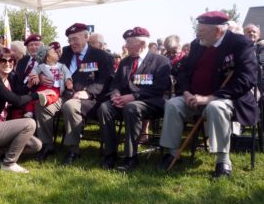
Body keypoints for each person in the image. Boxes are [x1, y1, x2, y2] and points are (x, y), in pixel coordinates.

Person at [158, 11, 258, 178]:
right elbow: (183, 71)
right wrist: (187, 92)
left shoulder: (240, 44)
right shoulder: (197, 44)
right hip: (194, 97)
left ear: (217, 31)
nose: (197, 34)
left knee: (215, 107)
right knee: (173, 104)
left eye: (201, 31)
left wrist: (210, 97)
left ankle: (223, 161)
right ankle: (172, 153)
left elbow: (246, 79)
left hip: (227, 99)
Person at [35, 23, 114, 163]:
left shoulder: (101, 56)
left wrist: (88, 92)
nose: (72, 43)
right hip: (63, 94)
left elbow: (105, 80)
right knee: (42, 105)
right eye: (70, 40)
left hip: (88, 99)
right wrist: (42, 75)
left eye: (75, 39)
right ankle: (47, 145)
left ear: (86, 37)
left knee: (71, 106)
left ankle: (73, 149)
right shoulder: (65, 52)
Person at [98, 27, 171, 171]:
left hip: (151, 102)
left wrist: (134, 96)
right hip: (125, 101)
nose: (126, 46)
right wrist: (115, 95)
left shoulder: (161, 61)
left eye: (129, 42)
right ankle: (110, 154)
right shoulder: (125, 62)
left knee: (132, 108)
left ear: (142, 44)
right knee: (104, 107)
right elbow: (116, 83)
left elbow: (159, 88)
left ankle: (130, 157)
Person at [0, 48, 44, 173]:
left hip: (0, 129)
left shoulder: (9, 79)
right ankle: (9, 163)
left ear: (14, 62)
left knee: (36, 145)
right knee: (29, 123)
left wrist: (30, 86)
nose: (7, 63)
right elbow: (17, 101)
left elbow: (18, 94)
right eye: (3, 60)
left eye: (11, 60)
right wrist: (37, 95)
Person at [24, 47, 73, 118]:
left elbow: (67, 73)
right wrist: (36, 77)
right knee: (34, 96)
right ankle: (29, 111)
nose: (57, 53)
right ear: (49, 58)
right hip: (43, 87)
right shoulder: (41, 67)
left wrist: (68, 80)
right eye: (54, 53)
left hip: (55, 88)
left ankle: (46, 100)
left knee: (54, 96)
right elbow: (34, 72)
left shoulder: (61, 66)